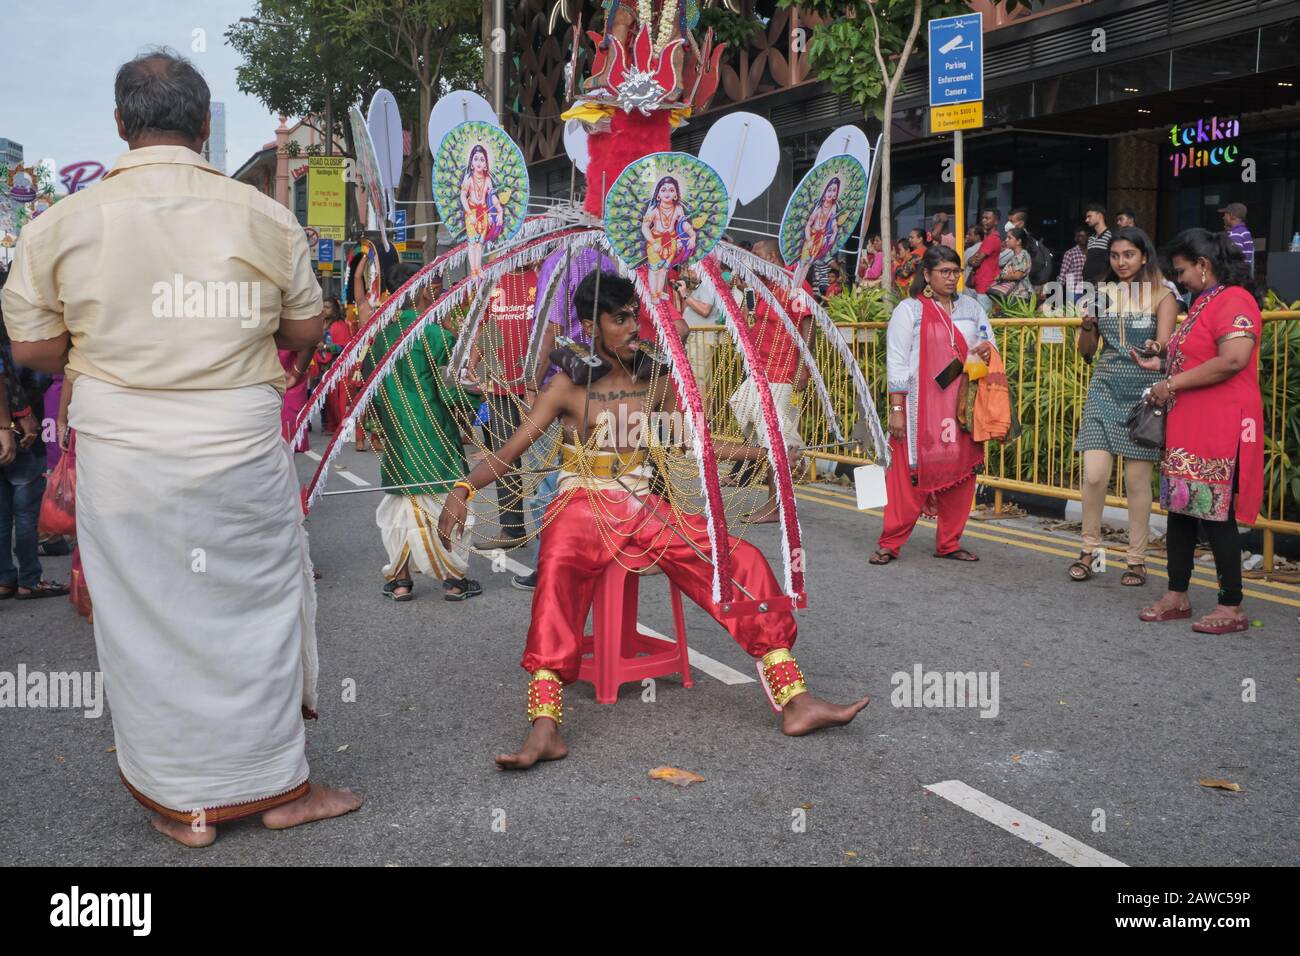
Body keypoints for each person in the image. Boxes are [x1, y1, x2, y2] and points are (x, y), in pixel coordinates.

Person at [1, 49, 360, 846]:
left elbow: (29, 348)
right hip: (234, 440)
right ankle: (278, 790)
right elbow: (306, 329)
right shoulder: (262, 216)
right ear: (203, 126)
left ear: (122, 126)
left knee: (146, 623)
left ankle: (185, 807)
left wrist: (109, 341)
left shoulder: (61, 222)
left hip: (124, 448)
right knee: (256, 614)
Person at [436, 269, 870, 769]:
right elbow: (510, 452)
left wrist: (764, 451)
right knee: (554, 569)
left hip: (641, 505)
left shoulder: (656, 378)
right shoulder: (565, 385)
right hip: (581, 505)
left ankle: (795, 701)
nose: (632, 327)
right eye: (619, 319)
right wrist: (463, 489)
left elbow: (694, 444)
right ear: (589, 325)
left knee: (738, 557)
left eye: (634, 317)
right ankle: (544, 728)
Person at [1133, 228, 1264, 634]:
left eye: (1182, 271)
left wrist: (1169, 384)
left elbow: (1233, 359)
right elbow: (1198, 359)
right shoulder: (1207, 302)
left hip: (1219, 426)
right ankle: (1177, 594)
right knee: (1181, 509)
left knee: (1216, 514)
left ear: (1204, 266)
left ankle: (1232, 605)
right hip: (1191, 425)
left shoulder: (1234, 300)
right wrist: (1163, 368)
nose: (1180, 279)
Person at [362, 262, 481, 602]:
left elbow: (369, 388)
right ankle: (455, 580)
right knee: (450, 499)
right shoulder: (434, 335)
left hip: (397, 432)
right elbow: (454, 386)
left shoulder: (380, 336)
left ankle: (400, 582)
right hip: (434, 433)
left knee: (400, 503)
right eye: (434, 287)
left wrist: (376, 425)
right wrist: (473, 408)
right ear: (422, 290)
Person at [871, 245, 993, 565]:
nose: (952, 278)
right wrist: (896, 411)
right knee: (907, 477)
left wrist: (972, 364)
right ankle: (890, 542)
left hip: (960, 407)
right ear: (927, 274)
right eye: (945, 272)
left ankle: (949, 542)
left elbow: (987, 347)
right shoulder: (909, 310)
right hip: (917, 410)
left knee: (961, 474)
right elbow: (896, 363)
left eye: (956, 272)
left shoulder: (972, 308)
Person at [1069, 227, 1178, 586]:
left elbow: (1164, 347)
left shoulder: (1163, 295)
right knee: (1094, 474)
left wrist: (1156, 348)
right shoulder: (1101, 294)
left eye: (1129, 255)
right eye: (1115, 256)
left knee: (1136, 481)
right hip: (1103, 386)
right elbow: (1086, 351)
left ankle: (1137, 559)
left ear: (1144, 256)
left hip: (1143, 392)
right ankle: (1090, 551)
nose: (1121, 262)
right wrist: (1087, 326)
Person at [728, 239, 815, 523]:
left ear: (771, 257)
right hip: (758, 373)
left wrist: (803, 368)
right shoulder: (759, 288)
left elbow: (808, 324)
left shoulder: (794, 284)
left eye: (755, 255)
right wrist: (744, 293)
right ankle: (786, 472)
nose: (751, 260)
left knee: (777, 440)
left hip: (783, 373)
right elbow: (744, 322)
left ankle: (777, 504)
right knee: (745, 414)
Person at [0, 289, 64, 600]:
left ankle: (4, 578)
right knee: (24, 511)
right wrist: (21, 415)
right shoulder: (20, 339)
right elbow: (39, 379)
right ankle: (28, 579)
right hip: (20, 430)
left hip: (10, 427)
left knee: (1, 512)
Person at [470, 265, 538, 550]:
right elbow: (485, 325)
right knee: (503, 457)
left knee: (546, 462)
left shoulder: (546, 275)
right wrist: (473, 361)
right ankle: (511, 529)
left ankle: (557, 530)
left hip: (541, 387)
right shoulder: (492, 279)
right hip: (499, 385)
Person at [461, 144, 504, 279]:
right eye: (476, 159)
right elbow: (462, 197)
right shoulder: (468, 179)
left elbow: (492, 197)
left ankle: (478, 268)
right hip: (472, 213)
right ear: (471, 163)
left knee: (480, 243)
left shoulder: (487, 180)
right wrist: (470, 213)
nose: (479, 162)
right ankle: (473, 270)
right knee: (472, 243)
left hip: (484, 213)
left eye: (482, 159)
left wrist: (499, 212)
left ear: (486, 164)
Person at [985, 227, 1033, 307]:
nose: (1006, 240)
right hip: (1012, 295)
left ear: (1018, 241)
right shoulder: (1016, 256)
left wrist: (1001, 276)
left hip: (1019, 296)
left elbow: (1017, 275)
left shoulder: (1022, 255)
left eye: (1010, 238)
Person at [968, 208, 1003, 299]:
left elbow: (975, 262)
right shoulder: (990, 238)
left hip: (985, 285)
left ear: (996, 221)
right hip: (983, 284)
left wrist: (971, 259)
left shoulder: (991, 239)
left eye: (987, 218)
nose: (984, 220)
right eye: (983, 218)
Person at [1219, 203, 1254, 274]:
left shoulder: (1236, 234)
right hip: (1243, 275)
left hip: (1235, 276)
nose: (1223, 217)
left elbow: (1233, 258)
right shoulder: (1244, 231)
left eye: (1225, 214)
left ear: (1232, 215)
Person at [1082, 203, 1112, 285]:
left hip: (1102, 285)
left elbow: (1112, 263)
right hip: (1087, 284)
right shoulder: (1091, 238)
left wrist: (1102, 280)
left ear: (1099, 216)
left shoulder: (1111, 236)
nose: (1086, 220)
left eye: (1089, 216)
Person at [1058, 226, 1088, 300]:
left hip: (1088, 290)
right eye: (1080, 236)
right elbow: (1063, 273)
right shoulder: (1070, 253)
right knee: (1075, 311)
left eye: (1084, 236)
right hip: (1075, 292)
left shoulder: (1092, 252)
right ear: (1076, 238)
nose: (1082, 238)